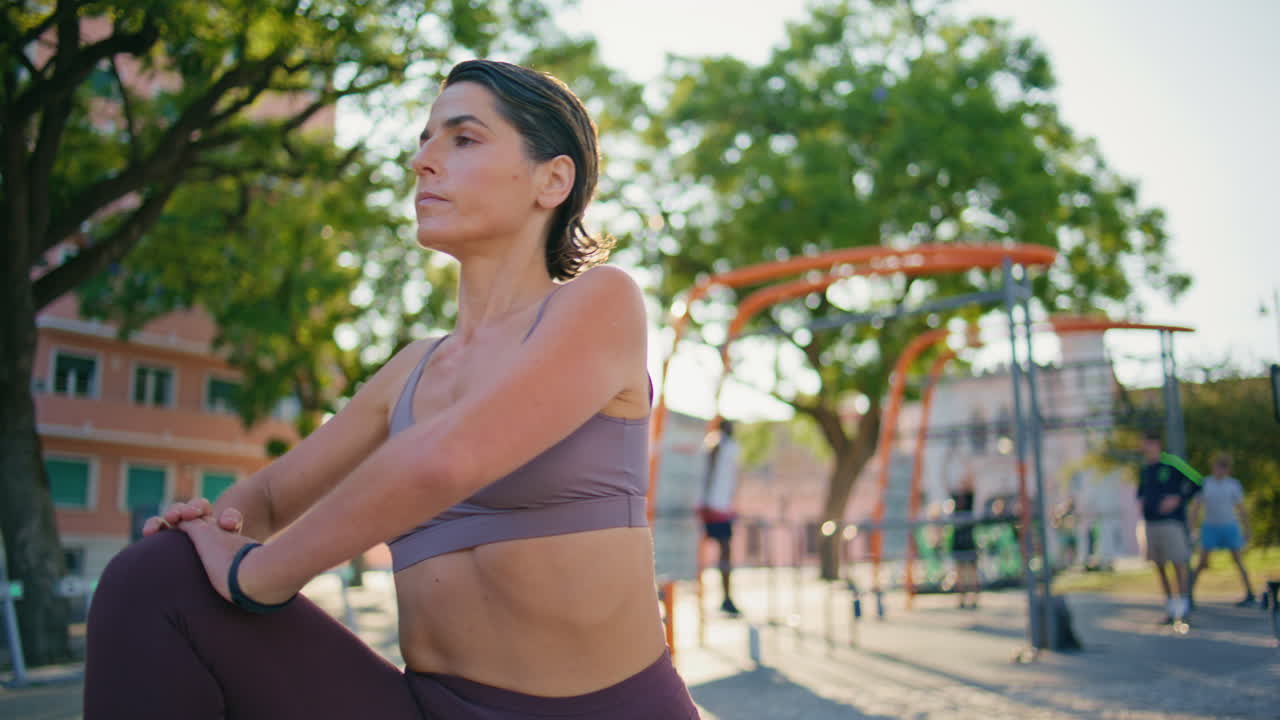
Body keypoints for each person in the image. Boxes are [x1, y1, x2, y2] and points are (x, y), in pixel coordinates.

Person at [83, 59, 701, 719]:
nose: (423, 162)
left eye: (462, 139)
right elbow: (266, 495)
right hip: (430, 707)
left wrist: (257, 573)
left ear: (553, 179)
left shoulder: (601, 303)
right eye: (423, 141)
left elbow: (446, 460)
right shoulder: (411, 370)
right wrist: (210, 530)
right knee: (154, 579)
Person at [1136, 432, 1203, 624]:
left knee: (1178, 563)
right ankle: (1171, 607)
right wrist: (1141, 502)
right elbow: (1141, 492)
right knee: (1159, 565)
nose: (1145, 447)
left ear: (1156, 444)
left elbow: (1197, 482)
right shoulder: (1145, 469)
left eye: (1147, 443)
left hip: (1171, 523)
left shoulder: (1172, 463)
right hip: (1150, 523)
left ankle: (1183, 606)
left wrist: (1178, 499)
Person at [1190, 453, 1256, 607]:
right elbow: (1195, 508)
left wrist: (1247, 529)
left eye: (1223, 468)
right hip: (1210, 526)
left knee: (1238, 560)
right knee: (1202, 562)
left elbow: (1241, 509)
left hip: (1229, 525)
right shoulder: (1205, 484)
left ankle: (1250, 593)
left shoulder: (1233, 485)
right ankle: (1188, 594)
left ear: (1228, 470)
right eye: (1217, 467)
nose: (1220, 471)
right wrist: (1193, 529)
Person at [699, 419, 741, 616]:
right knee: (721, 551)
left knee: (725, 552)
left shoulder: (729, 447)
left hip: (721, 506)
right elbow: (708, 474)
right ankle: (720, 596)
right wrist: (705, 501)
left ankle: (726, 596)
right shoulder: (716, 445)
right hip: (712, 506)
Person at [949, 472, 980, 609]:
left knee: (972, 568)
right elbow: (945, 481)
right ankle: (961, 597)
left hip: (968, 536)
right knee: (960, 568)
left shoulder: (969, 497)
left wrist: (966, 465)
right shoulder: (955, 498)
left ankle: (974, 597)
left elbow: (972, 482)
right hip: (958, 537)